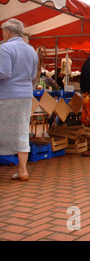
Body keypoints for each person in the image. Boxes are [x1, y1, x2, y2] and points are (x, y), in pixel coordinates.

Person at [0, 19, 38, 181]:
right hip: (25, 95)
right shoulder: (31, 51)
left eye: (3, 31)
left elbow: (3, 73)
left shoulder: (5, 48)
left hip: (7, 95)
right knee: (22, 130)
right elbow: (32, 77)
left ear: (8, 32)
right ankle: (23, 171)